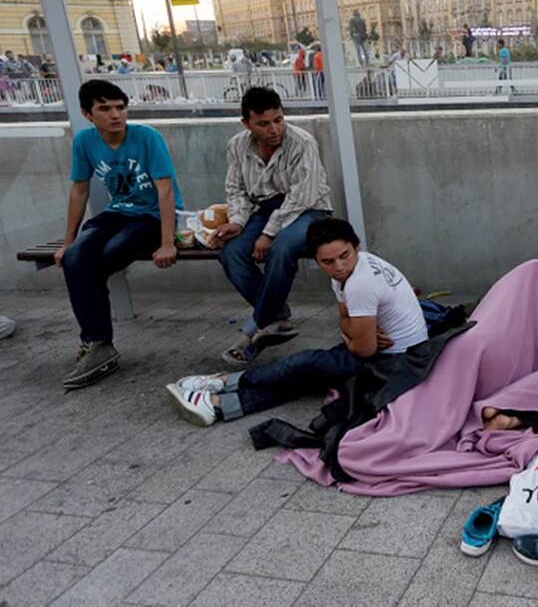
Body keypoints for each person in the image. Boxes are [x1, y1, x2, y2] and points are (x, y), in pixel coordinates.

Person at [166, 218, 428, 426]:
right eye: (328, 261)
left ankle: (226, 382)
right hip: (390, 355)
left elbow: (365, 350)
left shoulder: (360, 282)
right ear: (315, 260)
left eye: (345, 255)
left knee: (303, 363)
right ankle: (217, 405)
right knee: (304, 375)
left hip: (395, 364)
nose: (339, 266)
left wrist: (351, 340)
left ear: (356, 247)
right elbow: (344, 319)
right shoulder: (347, 273)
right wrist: (353, 334)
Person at [55, 80, 183, 388]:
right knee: (75, 257)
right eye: (105, 109)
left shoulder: (147, 137)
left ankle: (98, 343)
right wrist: (68, 243)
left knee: (105, 257)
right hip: (116, 213)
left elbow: (165, 191)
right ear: (88, 114)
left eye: (120, 107)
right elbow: (79, 190)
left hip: (151, 217)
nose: (115, 115)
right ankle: (97, 343)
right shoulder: (85, 141)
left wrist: (168, 242)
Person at [211, 87, 333, 366]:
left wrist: (268, 234)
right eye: (263, 123)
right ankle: (275, 316)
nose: (274, 129)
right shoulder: (237, 145)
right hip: (264, 210)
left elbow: (302, 195)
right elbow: (236, 189)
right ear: (247, 123)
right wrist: (237, 222)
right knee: (231, 252)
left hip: (309, 210)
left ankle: (252, 331)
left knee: (282, 248)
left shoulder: (302, 142)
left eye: (278, 120)